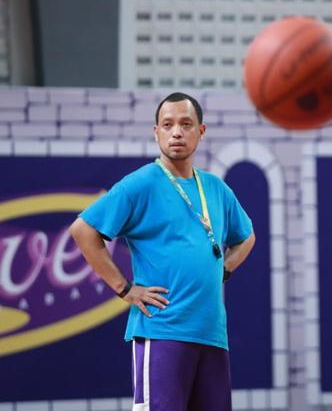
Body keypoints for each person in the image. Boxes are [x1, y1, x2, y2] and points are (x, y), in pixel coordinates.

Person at [69, 92, 256, 411]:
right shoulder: (140, 184)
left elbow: (246, 236)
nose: (177, 132)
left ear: (201, 131)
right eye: (167, 125)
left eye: (186, 124)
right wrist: (124, 288)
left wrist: (223, 269)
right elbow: (83, 231)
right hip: (163, 330)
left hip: (211, 333)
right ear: (156, 132)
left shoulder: (215, 188)